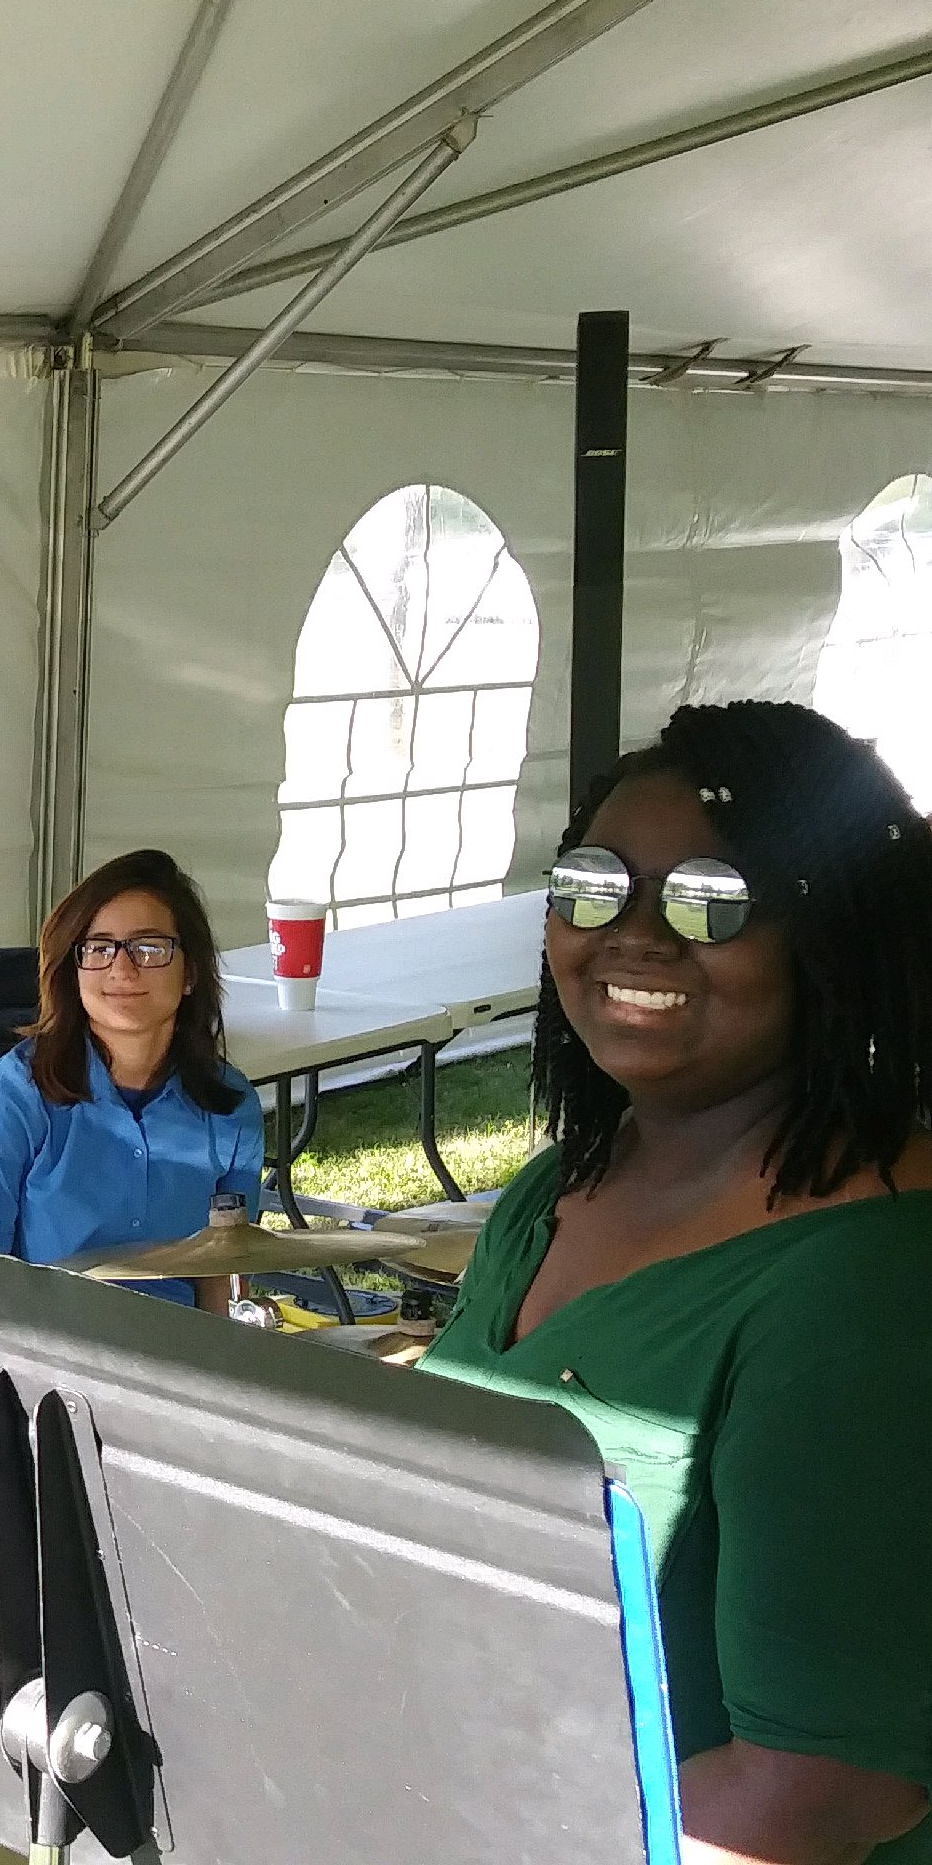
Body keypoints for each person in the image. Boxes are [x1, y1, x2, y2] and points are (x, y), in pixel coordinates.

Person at [420, 702, 932, 1862]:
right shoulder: (556, 1189)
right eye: (592, 885)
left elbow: (815, 1794)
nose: (633, 934)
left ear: (830, 934)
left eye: (712, 898)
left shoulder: (873, 1280)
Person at [0, 848, 261, 1310]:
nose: (122, 970)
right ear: (74, 970)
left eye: (149, 948)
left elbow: (222, 1273)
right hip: (48, 1357)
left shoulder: (231, 1105)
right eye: (99, 948)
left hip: (178, 1354)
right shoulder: (13, 1097)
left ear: (189, 972)